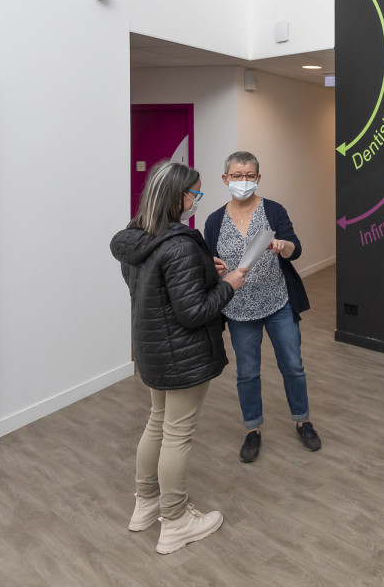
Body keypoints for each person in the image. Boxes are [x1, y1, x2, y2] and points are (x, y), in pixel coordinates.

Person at [111, 160, 247, 554]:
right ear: (176, 197)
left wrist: (205, 268)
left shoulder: (137, 240)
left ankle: (145, 505)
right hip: (184, 356)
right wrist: (229, 283)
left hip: (152, 350)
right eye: (195, 193)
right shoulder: (180, 244)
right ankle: (175, 521)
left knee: (157, 423)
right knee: (177, 433)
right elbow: (194, 312)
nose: (197, 200)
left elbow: (159, 291)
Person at [203, 151, 320, 463]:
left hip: (278, 302)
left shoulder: (274, 210)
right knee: (248, 372)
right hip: (239, 310)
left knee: (293, 365)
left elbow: (295, 248)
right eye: (237, 176)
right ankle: (252, 429)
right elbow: (209, 263)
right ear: (226, 179)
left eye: (250, 175)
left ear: (258, 177)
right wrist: (214, 268)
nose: (244, 181)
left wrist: (284, 247)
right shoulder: (214, 220)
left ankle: (303, 420)